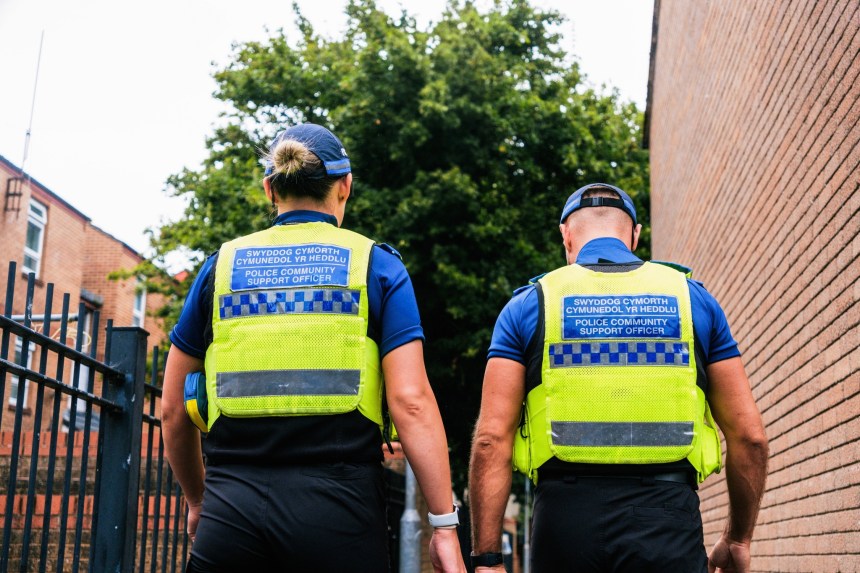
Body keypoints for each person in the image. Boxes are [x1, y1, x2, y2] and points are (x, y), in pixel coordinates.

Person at [162, 123, 466, 573]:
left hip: (231, 510)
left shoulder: (219, 268)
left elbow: (172, 409)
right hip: (339, 509)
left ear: (270, 189)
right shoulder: (376, 266)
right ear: (345, 187)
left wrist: (197, 499)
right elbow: (411, 402)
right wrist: (443, 525)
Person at [468, 183, 768, 572]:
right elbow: (750, 438)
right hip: (667, 523)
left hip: (564, 524)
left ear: (566, 235)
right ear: (636, 236)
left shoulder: (529, 305)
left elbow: (491, 440)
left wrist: (487, 560)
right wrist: (737, 539)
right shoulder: (692, 301)